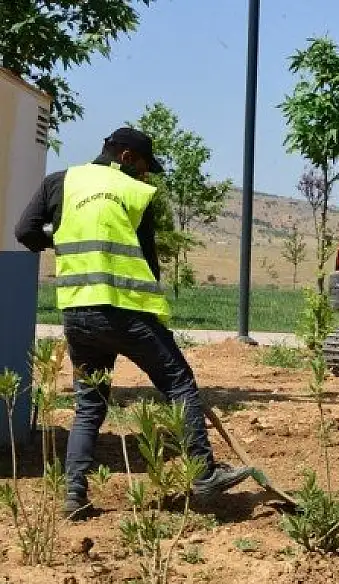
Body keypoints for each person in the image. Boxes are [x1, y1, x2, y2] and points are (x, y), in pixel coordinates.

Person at [14, 127, 255, 519]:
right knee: (179, 383)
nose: (145, 176)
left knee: (89, 405)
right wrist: (155, 318)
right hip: (126, 312)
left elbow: (24, 232)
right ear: (126, 157)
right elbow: (148, 264)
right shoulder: (133, 193)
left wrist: (62, 235)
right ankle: (205, 474)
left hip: (78, 313)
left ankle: (75, 495)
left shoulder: (60, 182)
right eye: (144, 166)